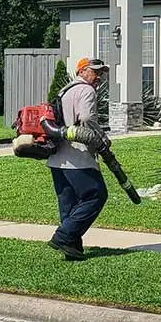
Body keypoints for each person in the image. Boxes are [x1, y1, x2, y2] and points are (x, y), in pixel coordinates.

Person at [46, 57, 110, 261]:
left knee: (69, 204)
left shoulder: (64, 90)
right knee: (96, 195)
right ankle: (63, 237)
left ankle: (73, 250)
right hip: (78, 157)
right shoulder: (86, 90)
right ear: (82, 71)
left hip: (57, 159)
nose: (99, 76)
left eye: (101, 73)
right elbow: (86, 118)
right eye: (95, 71)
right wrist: (102, 138)